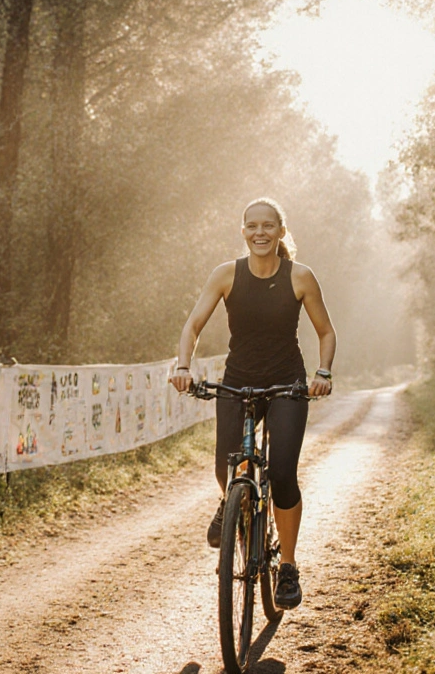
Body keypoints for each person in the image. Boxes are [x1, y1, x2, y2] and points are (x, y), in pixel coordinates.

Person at [170, 197, 335, 610]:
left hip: (287, 383)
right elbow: (192, 326)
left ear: (281, 231)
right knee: (226, 465)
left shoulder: (300, 277)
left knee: (281, 474)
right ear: (243, 231)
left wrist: (323, 373)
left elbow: (326, 333)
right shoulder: (226, 275)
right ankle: (232, 502)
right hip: (239, 379)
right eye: (251, 226)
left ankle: (289, 568)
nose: (259, 232)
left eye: (267, 225)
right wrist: (182, 365)